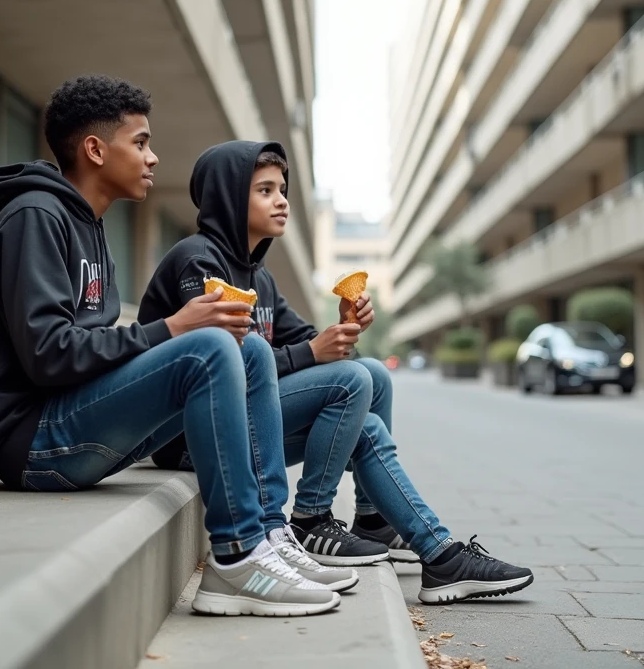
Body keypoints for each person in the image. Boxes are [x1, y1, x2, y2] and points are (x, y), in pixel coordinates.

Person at [0, 75, 339, 617]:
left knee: (247, 348)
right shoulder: (34, 218)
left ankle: (268, 535)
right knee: (208, 345)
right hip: (35, 440)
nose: (153, 158)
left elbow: (90, 345)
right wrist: (172, 328)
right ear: (95, 149)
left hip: (75, 418)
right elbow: (48, 355)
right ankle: (235, 556)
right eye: (140, 142)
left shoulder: (87, 224)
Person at [138, 141, 534, 604]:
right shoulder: (198, 260)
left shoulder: (259, 275)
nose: (282, 200)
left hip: (246, 422)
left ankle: (391, 529)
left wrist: (346, 326)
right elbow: (228, 365)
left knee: (371, 376)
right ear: (228, 197)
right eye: (265, 190)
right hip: (192, 436)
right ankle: (311, 520)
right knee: (354, 381)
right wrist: (312, 351)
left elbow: (305, 341)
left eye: (282, 189)